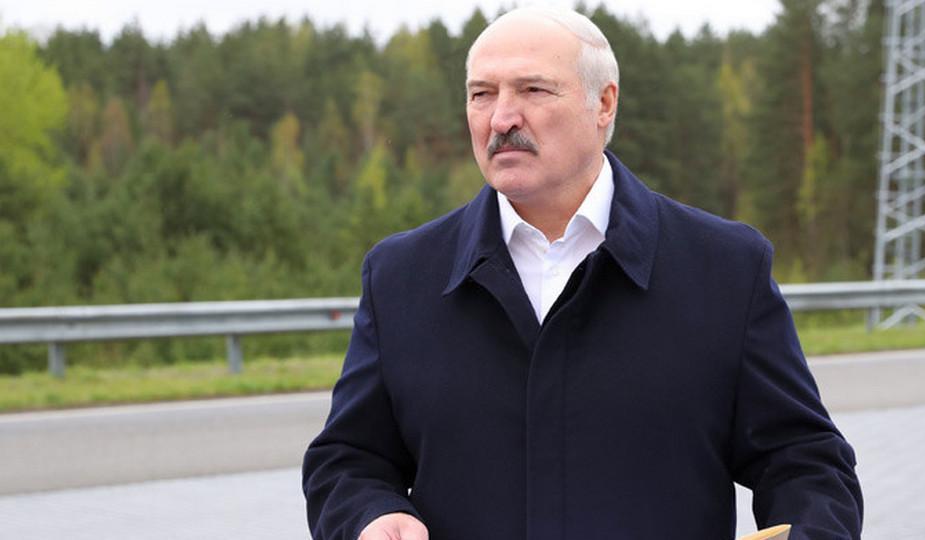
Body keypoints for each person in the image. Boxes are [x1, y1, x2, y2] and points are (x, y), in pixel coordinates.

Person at [302, 7, 862, 540]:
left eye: (533, 90)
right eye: (481, 94)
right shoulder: (400, 277)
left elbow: (805, 463)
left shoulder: (725, 268)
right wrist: (370, 515)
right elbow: (349, 460)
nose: (501, 118)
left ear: (604, 104)